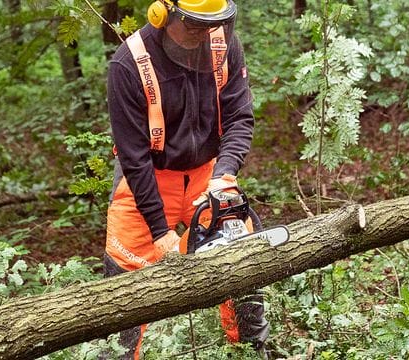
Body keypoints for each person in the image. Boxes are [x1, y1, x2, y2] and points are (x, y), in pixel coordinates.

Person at [103, 0, 269, 358]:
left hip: (206, 175)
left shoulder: (223, 44)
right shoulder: (128, 63)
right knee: (122, 301)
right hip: (146, 181)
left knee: (244, 268)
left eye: (211, 24)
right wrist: (161, 232)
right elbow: (133, 157)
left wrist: (224, 174)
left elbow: (241, 117)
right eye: (194, 25)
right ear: (163, 15)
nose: (203, 33)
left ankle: (251, 350)